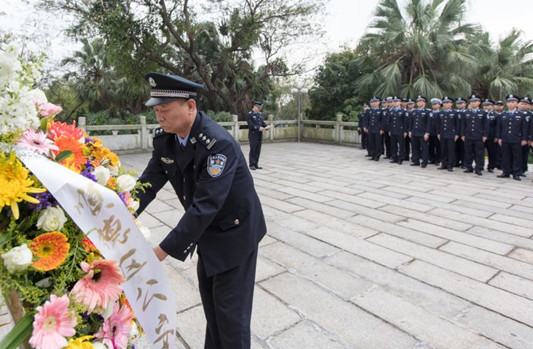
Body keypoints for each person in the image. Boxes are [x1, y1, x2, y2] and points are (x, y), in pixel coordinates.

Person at [136, 72, 267, 348]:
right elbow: (146, 186)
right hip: (207, 234)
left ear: (190, 107)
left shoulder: (217, 145)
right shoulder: (166, 140)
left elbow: (205, 205)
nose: (160, 117)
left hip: (235, 235)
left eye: (166, 111)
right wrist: (120, 213)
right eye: (157, 111)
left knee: (231, 318)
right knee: (214, 310)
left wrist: (160, 251)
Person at [496, 94, 528, 181]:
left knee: (517, 157)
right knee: (505, 156)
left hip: (516, 139)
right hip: (505, 139)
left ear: (517, 104)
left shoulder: (521, 115)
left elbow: (524, 128)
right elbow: (499, 128)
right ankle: (506, 172)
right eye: (509, 102)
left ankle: (516, 173)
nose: (510, 104)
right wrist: (499, 137)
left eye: (513, 102)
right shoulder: (503, 115)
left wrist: (524, 139)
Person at [461, 94, 487, 176]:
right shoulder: (466, 112)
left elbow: (486, 125)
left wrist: (485, 135)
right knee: (468, 152)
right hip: (468, 135)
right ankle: (469, 167)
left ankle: (478, 168)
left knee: (479, 153)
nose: (473, 103)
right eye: (471, 102)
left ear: (479, 102)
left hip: (479, 136)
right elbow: (463, 125)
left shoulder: (483, 113)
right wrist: (463, 134)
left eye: (475, 101)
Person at [246, 100, 271, 170]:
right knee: (253, 149)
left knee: (258, 150)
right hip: (253, 135)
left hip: (259, 135)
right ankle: (252, 164)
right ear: (255, 106)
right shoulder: (249, 114)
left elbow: (262, 123)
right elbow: (251, 125)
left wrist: (266, 127)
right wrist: (258, 128)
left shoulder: (259, 114)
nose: (259, 109)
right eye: (258, 108)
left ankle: (256, 164)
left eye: (260, 108)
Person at [436, 97, 459, 171]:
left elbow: (457, 124)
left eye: (447, 102)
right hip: (442, 133)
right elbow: (438, 124)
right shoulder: (441, 113)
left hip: (451, 134)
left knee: (451, 150)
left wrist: (457, 134)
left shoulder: (455, 113)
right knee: (443, 149)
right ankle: (444, 164)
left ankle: (450, 165)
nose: (445, 104)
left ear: (451, 104)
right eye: (444, 103)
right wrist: (438, 132)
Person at [409, 95, 430, 168]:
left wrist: (427, 133)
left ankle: (424, 162)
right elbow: (411, 122)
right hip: (414, 132)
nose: (419, 103)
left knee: (424, 148)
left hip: (423, 133)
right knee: (415, 148)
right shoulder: (414, 111)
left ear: (424, 103)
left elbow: (428, 124)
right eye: (417, 101)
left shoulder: (427, 111)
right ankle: (416, 161)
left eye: (421, 101)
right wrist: (410, 131)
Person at [363, 96, 384, 161]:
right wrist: (365, 126)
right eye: (372, 102)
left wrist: (382, 129)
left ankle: (377, 155)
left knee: (378, 143)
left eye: (375, 102)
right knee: (371, 142)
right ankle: (372, 154)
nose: (373, 103)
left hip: (378, 129)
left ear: (378, 102)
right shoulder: (368, 110)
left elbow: (383, 121)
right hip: (370, 129)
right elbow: (366, 119)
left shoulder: (381, 110)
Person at [387, 96, 407, 164]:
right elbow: (390, 122)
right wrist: (389, 130)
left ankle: (401, 158)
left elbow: (405, 122)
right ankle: (394, 157)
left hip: (400, 131)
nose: (395, 103)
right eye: (394, 101)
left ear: (400, 102)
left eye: (396, 101)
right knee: (393, 145)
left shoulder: (403, 111)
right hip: (393, 130)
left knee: (401, 145)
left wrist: (405, 131)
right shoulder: (391, 111)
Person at [483, 99, 498, 172]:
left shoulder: (496, 115)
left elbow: (498, 127)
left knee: (491, 152)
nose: (486, 107)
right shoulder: (481, 113)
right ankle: (480, 165)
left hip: (491, 136)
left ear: (492, 106)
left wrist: (497, 136)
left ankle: (491, 166)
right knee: (479, 152)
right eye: (485, 105)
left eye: (488, 105)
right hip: (482, 136)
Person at [518, 96, 531, 176]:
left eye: (526, 104)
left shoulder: (530, 115)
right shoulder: (513, 114)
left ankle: (522, 169)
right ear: (518, 104)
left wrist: (529, 138)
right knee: (515, 154)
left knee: (524, 154)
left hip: (526, 138)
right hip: (515, 138)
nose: (524, 106)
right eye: (522, 104)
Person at [454, 97, 467, 168]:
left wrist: (463, 134)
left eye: (460, 103)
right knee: (455, 148)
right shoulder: (454, 112)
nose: (459, 105)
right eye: (457, 104)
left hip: (463, 134)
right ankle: (456, 161)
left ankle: (464, 163)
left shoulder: (467, 112)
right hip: (455, 133)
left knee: (463, 149)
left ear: (465, 104)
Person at [428, 98, 442, 165]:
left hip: (438, 133)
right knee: (431, 146)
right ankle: (431, 159)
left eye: (435, 104)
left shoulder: (441, 113)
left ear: (439, 105)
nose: (434, 106)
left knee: (438, 147)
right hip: (430, 132)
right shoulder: (429, 112)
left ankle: (438, 160)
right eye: (433, 104)